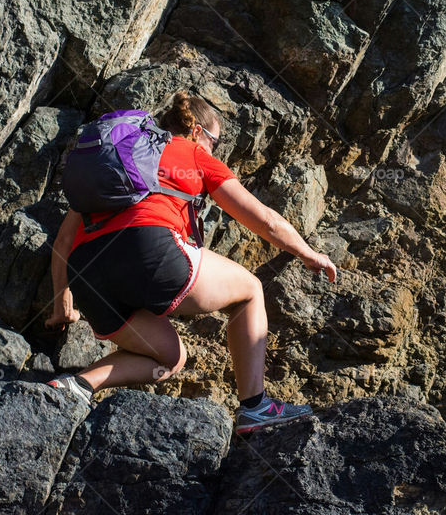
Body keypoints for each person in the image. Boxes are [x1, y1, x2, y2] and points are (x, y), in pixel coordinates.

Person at [43, 91, 337, 434]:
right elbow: (264, 221)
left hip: (88, 276)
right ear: (197, 131)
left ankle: (76, 386)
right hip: (149, 250)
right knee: (250, 291)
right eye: (215, 141)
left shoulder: (119, 165)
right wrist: (307, 252)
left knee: (169, 360)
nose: (215, 149)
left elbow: (64, 241)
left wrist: (62, 302)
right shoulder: (194, 153)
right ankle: (256, 407)